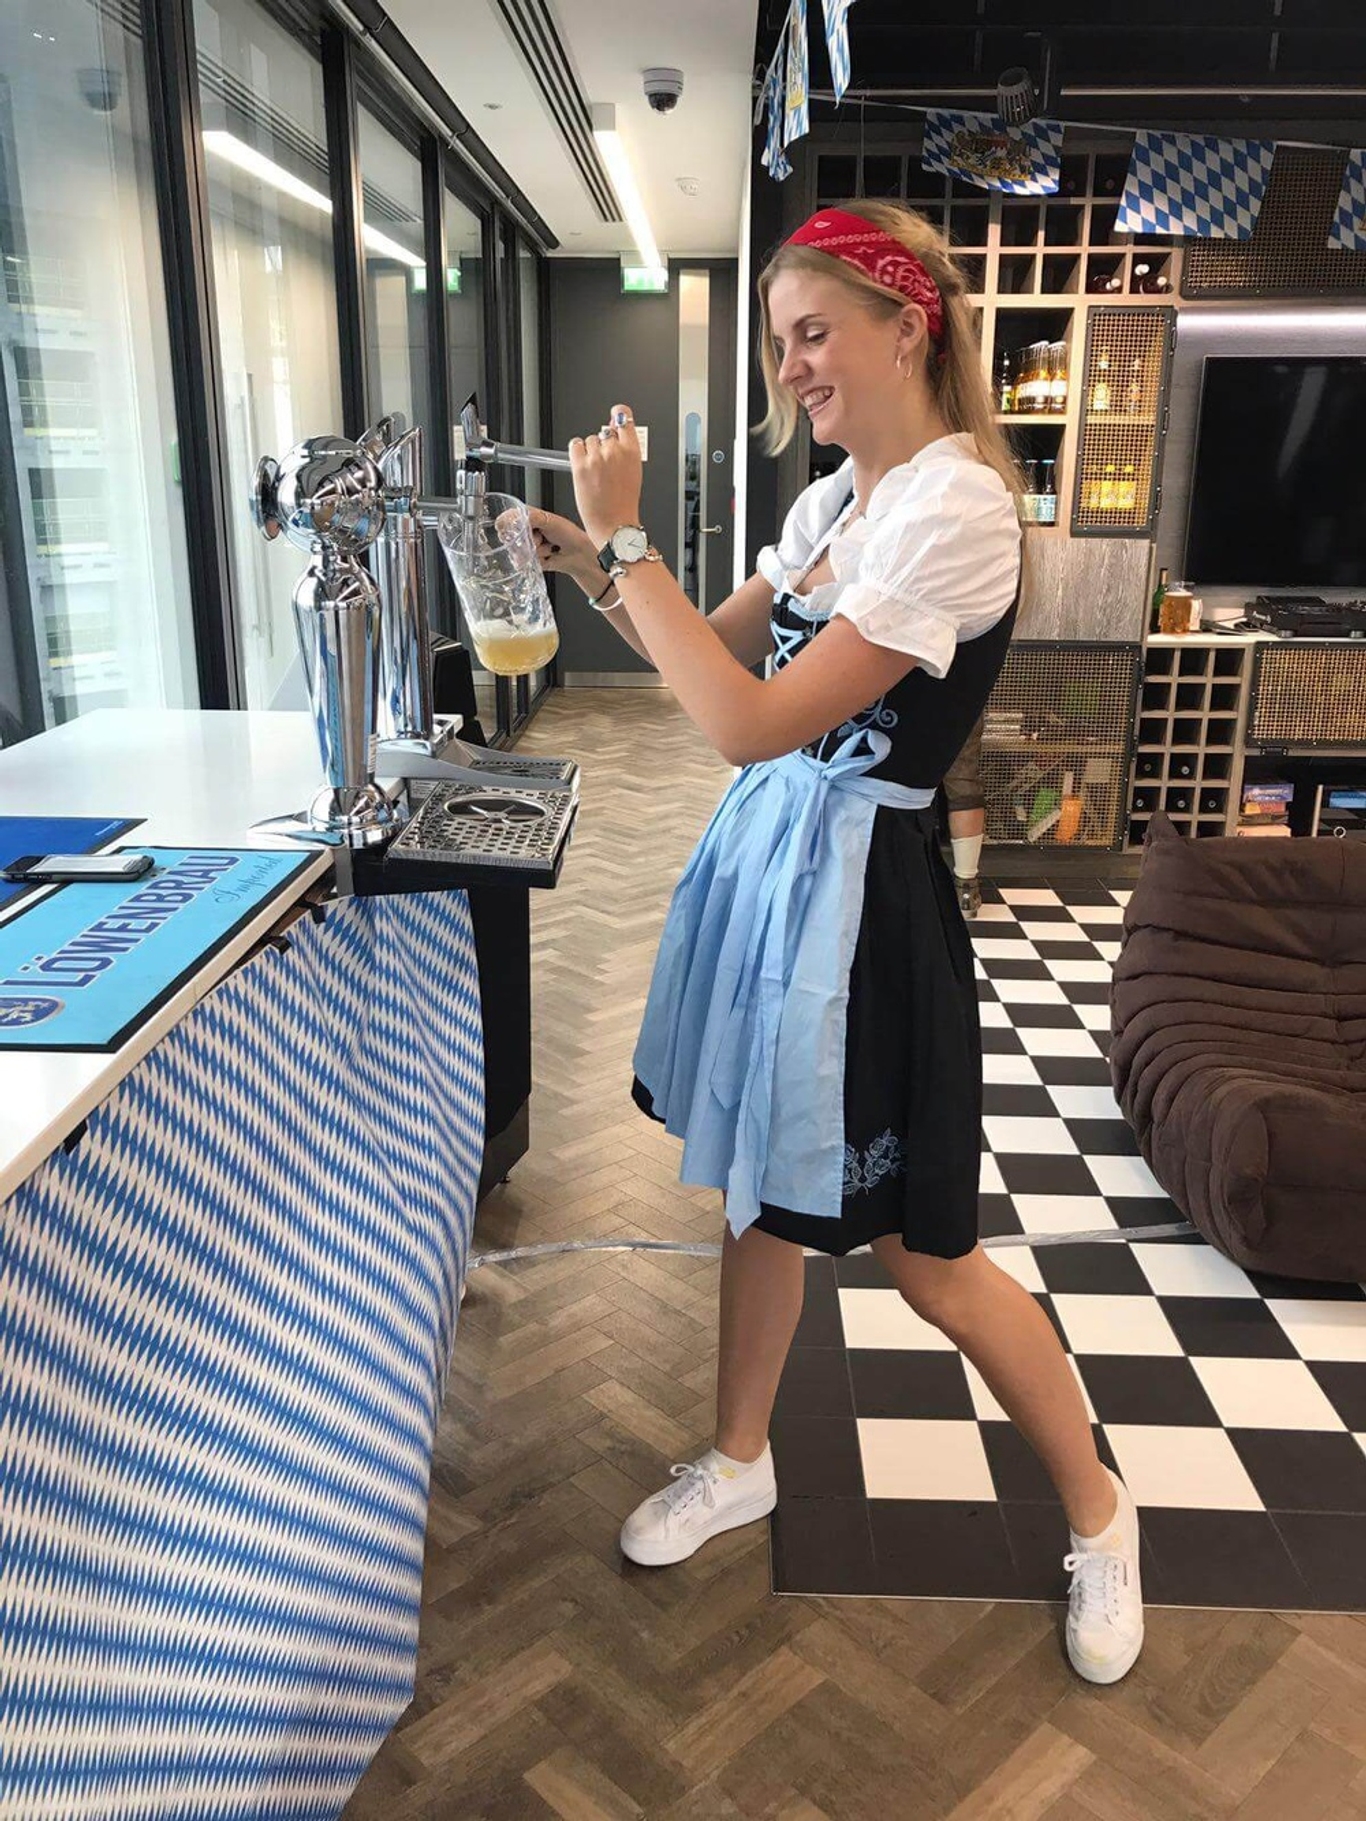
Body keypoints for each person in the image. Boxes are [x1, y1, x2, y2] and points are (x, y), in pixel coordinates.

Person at [527, 201, 1143, 1687]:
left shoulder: (957, 510)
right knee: (757, 1192)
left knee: (928, 1257)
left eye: (812, 333)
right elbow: (711, 649)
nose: (790, 365)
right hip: (779, 873)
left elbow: (740, 722)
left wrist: (626, 540)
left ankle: (1101, 1512)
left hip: (868, 900)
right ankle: (740, 1459)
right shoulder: (831, 508)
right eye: (777, 342)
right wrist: (587, 560)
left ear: (905, 326)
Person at [944, 709, 987, 918]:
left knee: (903, 783)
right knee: (963, 783)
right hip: (957, 697)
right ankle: (966, 890)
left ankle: (902, 879)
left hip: (901, 700)